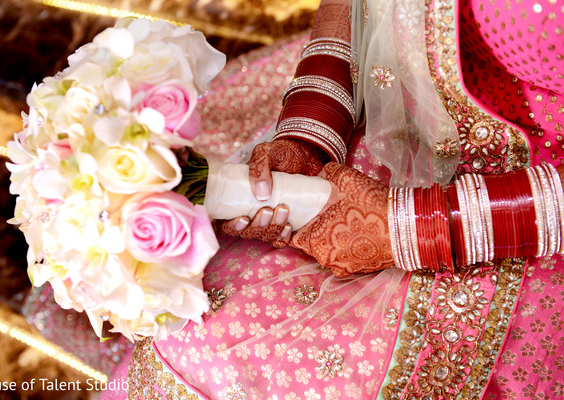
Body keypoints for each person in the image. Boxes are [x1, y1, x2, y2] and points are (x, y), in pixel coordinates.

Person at [103, 0, 564, 398]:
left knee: (232, 361)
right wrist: (309, 133)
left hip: (530, 214)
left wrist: (416, 227)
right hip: (400, 124)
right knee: (204, 300)